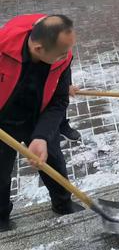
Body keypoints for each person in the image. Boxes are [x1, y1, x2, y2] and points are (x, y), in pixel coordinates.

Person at [0, 15, 84, 232]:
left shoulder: (60, 50)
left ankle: (63, 204)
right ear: (38, 49)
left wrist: (42, 136)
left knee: (53, 161)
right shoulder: (3, 49)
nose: (67, 57)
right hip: (3, 121)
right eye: (62, 54)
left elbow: (59, 100)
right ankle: (1, 218)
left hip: (39, 115)